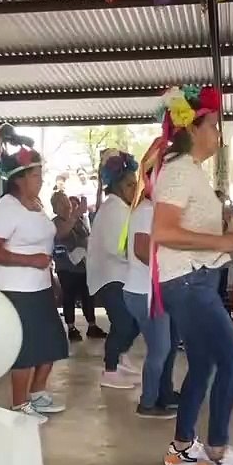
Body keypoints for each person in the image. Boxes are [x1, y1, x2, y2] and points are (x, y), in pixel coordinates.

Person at [152, 85, 233, 465]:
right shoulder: (179, 170)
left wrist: (231, 233)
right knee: (232, 359)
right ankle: (215, 452)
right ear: (193, 128)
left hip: (196, 278)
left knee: (205, 363)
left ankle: (182, 446)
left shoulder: (188, 171)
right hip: (189, 281)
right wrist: (221, 241)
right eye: (214, 126)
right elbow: (163, 231)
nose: (219, 135)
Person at [0, 145, 69, 420]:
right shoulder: (7, 208)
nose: (41, 179)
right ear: (19, 178)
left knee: (52, 342)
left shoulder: (36, 205)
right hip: (16, 289)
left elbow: (50, 239)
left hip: (40, 285)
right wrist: (30, 261)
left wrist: (73, 218)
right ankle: (19, 404)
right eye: (36, 175)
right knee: (26, 348)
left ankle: (38, 393)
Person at [124, 141, 181, 419]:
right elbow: (141, 250)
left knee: (168, 347)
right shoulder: (146, 211)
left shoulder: (155, 210)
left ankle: (163, 393)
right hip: (143, 292)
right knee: (159, 350)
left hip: (154, 290)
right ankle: (147, 403)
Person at [89, 150, 145, 390]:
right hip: (112, 277)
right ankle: (110, 369)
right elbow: (117, 247)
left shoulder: (120, 207)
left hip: (118, 275)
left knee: (133, 321)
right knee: (124, 324)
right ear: (117, 186)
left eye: (136, 184)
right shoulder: (115, 209)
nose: (135, 189)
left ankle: (120, 359)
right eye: (130, 185)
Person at [51, 190, 107, 341]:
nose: (66, 206)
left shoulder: (78, 220)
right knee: (69, 296)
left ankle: (92, 325)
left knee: (88, 296)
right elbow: (62, 233)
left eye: (66, 202)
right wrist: (75, 215)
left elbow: (86, 235)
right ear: (55, 208)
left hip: (83, 265)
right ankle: (71, 327)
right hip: (66, 267)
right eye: (61, 203)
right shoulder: (56, 222)